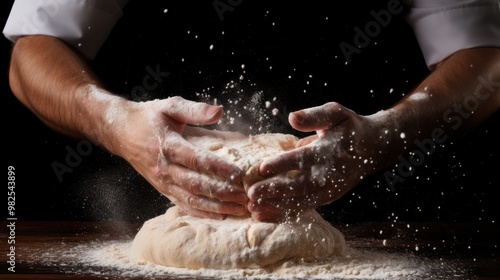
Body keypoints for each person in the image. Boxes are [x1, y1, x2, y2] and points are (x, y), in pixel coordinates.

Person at [3, 0, 500, 222]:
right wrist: (116, 123)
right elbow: (35, 49)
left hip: (373, 219)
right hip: (163, 198)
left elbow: (484, 53)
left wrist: (381, 135)